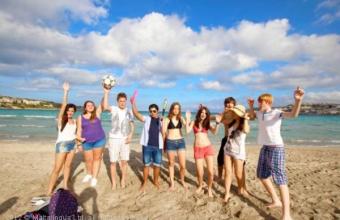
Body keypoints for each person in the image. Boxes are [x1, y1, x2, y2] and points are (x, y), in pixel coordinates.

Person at [247, 87, 304, 220]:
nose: (259, 103)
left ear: (268, 102)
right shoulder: (260, 113)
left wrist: (298, 101)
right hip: (265, 147)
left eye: (261, 102)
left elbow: (293, 114)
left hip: (277, 148)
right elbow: (253, 116)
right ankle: (276, 201)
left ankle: (287, 215)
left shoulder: (276, 112)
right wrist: (250, 106)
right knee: (262, 175)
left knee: (280, 181)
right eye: (258, 101)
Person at [47, 82, 77, 196]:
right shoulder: (61, 119)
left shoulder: (74, 121)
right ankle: (49, 190)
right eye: (68, 110)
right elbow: (63, 105)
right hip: (62, 145)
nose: (70, 112)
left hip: (72, 144)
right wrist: (66, 92)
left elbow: (75, 134)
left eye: (72, 111)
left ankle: (65, 185)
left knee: (68, 166)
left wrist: (78, 144)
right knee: (57, 168)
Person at [102, 88, 134, 190]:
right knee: (113, 162)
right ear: (117, 101)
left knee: (124, 161)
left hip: (125, 139)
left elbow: (132, 124)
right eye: (120, 101)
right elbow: (105, 106)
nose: (122, 103)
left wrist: (130, 135)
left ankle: (123, 179)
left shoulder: (129, 111)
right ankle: (114, 183)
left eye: (124, 101)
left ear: (126, 101)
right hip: (114, 139)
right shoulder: (114, 109)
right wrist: (106, 92)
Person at [186, 105, 221, 197]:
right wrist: (188, 119)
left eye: (205, 113)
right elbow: (187, 131)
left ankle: (209, 188)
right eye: (202, 112)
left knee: (210, 171)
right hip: (198, 149)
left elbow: (215, 132)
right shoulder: (194, 122)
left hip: (208, 148)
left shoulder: (207, 123)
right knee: (200, 171)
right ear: (199, 113)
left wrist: (217, 124)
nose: (203, 114)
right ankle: (200, 185)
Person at [131, 95, 164, 192]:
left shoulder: (162, 120)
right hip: (147, 146)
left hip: (158, 146)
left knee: (157, 165)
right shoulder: (146, 119)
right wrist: (133, 103)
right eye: (151, 111)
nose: (152, 113)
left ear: (157, 111)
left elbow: (164, 133)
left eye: (154, 111)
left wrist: (162, 122)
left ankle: (155, 181)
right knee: (146, 165)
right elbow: (136, 113)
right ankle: (144, 182)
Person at [77, 89, 106, 187]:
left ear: (94, 107)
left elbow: (103, 104)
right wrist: (78, 143)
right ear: (85, 107)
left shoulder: (97, 113)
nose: (90, 106)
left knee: (97, 159)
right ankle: (89, 174)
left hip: (99, 140)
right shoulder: (80, 117)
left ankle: (94, 177)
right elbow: (79, 130)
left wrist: (105, 92)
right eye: (88, 105)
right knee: (88, 160)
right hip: (86, 142)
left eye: (92, 105)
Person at [223, 105, 250, 202]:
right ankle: (227, 194)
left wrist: (245, 118)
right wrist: (228, 111)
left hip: (238, 152)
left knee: (239, 174)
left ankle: (241, 188)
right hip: (227, 150)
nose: (234, 113)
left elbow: (246, 131)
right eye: (233, 112)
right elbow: (222, 120)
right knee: (227, 173)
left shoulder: (244, 124)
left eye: (235, 112)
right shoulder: (231, 122)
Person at [162, 102, 187, 190]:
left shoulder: (181, 118)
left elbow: (187, 129)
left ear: (179, 110)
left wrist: (187, 119)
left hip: (180, 142)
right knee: (171, 163)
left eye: (178, 108)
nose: (176, 110)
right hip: (170, 142)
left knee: (183, 165)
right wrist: (164, 145)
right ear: (172, 109)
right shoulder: (166, 119)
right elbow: (163, 133)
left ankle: (182, 180)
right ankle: (172, 183)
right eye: (174, 108)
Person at [217, 97, 236, 180]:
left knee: (232, 160)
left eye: (231, 103)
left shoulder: (237, 114)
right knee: (220, 159)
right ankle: (220, 176)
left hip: (235, 141)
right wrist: (224, 112)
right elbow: (219, 120)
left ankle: (229, 176)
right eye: (227, 103)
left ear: (234, 104)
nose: (229, 104)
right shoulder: (224, 114)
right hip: (225, 139)